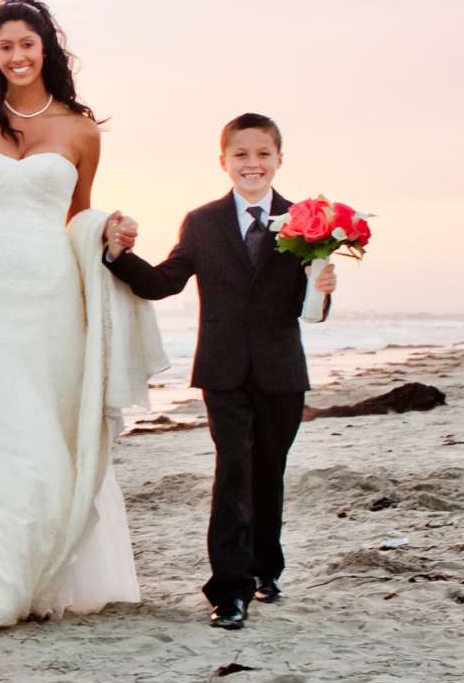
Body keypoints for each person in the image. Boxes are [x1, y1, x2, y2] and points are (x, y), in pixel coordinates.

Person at [0, 0, 166, 646]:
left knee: (43, 428)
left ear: (46, 49)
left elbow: (77, 218)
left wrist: (110, 229)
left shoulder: (81, 132)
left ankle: (40, 577)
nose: (17, 56)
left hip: (51, 294)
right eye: (5, 46)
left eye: (27, 44)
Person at [102, 112, 337, 632]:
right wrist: (119, 256)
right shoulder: (202, 222)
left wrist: (323, 288)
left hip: (282, 369)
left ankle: (264, 569)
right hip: (223, 368)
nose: (252, 164)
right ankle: (229, 591)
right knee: (233, 471)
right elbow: (164, 282)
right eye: (241, 155)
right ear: (223, 161)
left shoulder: (308, 220)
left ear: (279, 159)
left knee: (268, 470)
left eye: (262, 154)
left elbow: (311, 310)